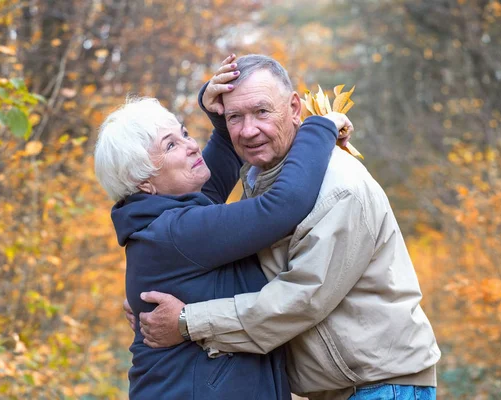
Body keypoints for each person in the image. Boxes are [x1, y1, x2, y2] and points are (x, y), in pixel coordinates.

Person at [129, 54, 441, 400]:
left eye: (262, 112)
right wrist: (152, 297)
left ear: (294, 108)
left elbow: (301, 299)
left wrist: (189, 322)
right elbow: (200, 235)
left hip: (379, 388)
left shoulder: (337, 188)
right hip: (339, 389)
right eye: (235, 117)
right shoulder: (263, 177)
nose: (249, 130)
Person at [94, 54, 351, 399]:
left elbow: (227, 153)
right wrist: (321, 126)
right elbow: (283, 205)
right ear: (143, 182)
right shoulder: (178, 232)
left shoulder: (168, 218)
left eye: (184, 133)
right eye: (171, 145)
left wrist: (215, 101)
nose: (190, 146)